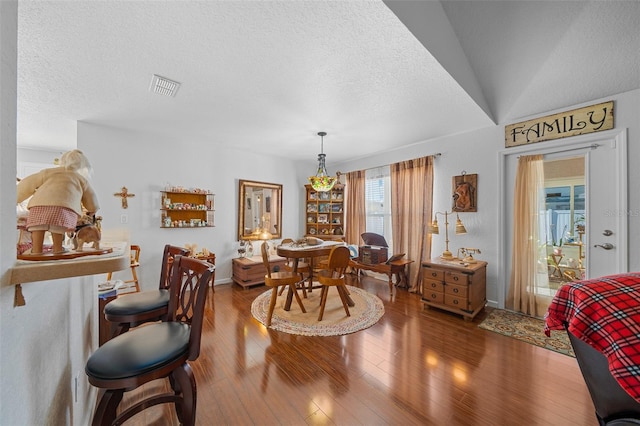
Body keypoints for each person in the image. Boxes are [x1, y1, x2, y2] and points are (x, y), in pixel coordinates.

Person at [17, 149, 100, 255]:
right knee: (57, 229)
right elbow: (91, 197)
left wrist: (16, 198)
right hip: (63, 208)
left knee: (37, 228)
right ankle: (58, 249)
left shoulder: (48, 172)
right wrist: (93, 209)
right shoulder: (80, 179)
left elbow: (27, 184)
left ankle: (36, 251)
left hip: (39, 206)